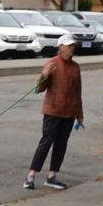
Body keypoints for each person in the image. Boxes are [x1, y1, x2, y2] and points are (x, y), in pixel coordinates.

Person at [26, 35, 84, 190]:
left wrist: (80, 115)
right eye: (68, 46)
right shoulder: (52, 63)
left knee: (61, 144)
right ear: (60, 47)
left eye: (73, 46)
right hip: (52, 110)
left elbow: (78, 92)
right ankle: (31, 175)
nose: (71, 48)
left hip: (69, 112)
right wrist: (44, 75)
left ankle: (52, 175)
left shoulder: (75, 67)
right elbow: (39, 89)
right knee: (46, 142)